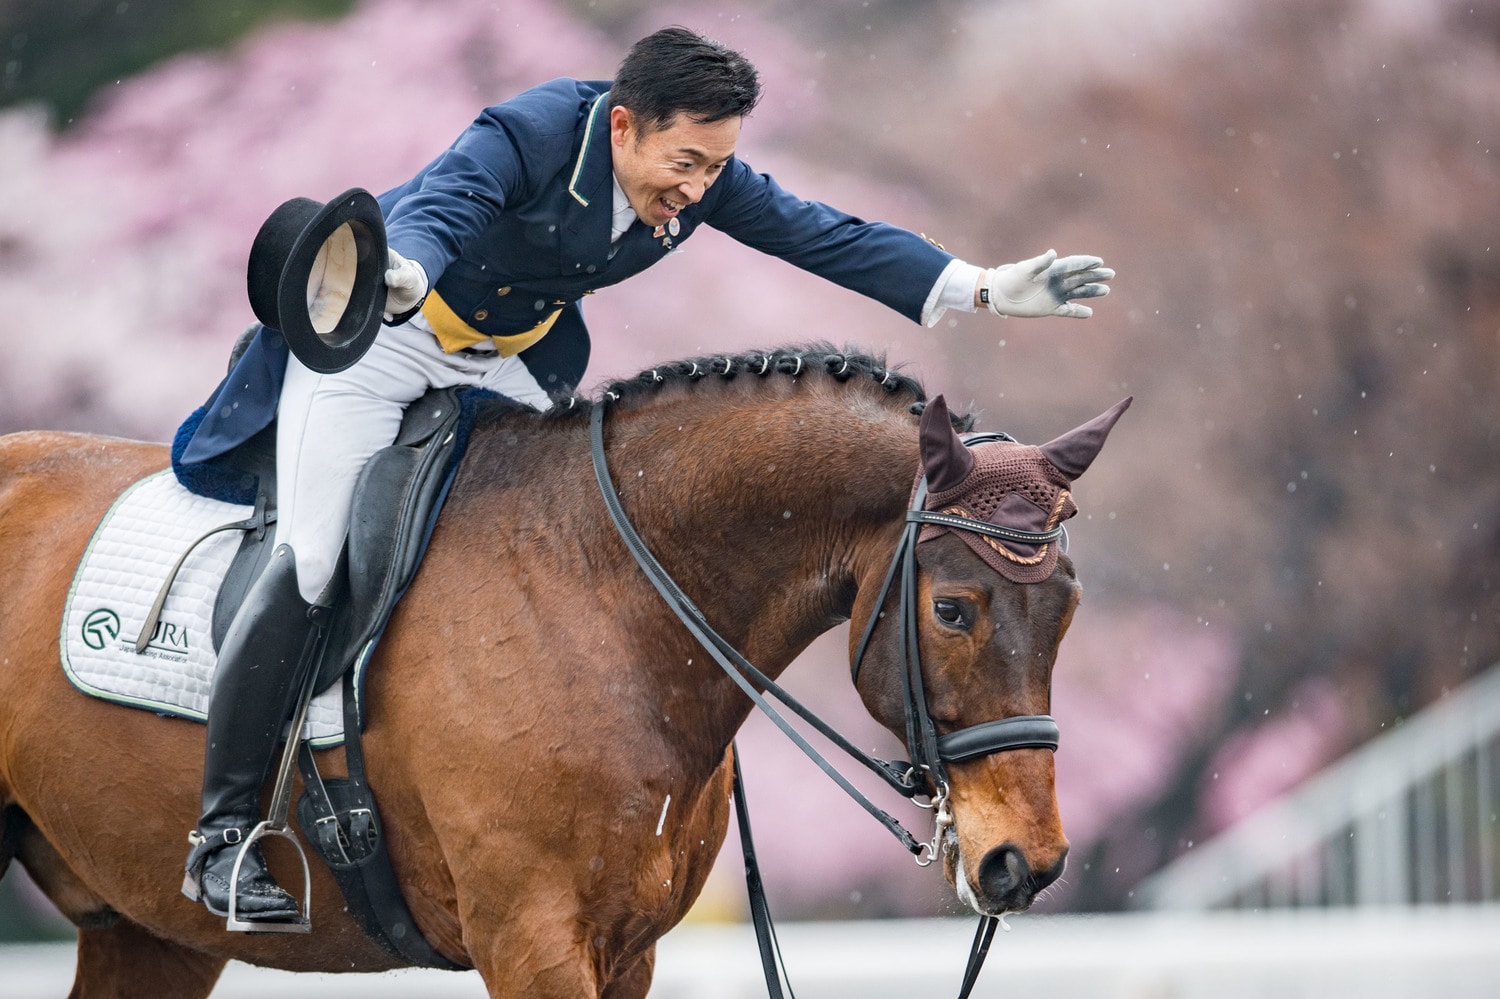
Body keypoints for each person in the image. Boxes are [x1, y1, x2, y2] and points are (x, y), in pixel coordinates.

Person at [176, 25, 1113, 924]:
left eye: (714, 168)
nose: (698, 190)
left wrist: (981, 284)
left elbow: (822, 233)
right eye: (686, 165)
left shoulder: (693, 174)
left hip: (506, 362)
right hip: (383, 344)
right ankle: (223, 833)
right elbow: (443, 204)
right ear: (623, 124)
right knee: (308, 559)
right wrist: (412, 266)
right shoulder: (528, 132)